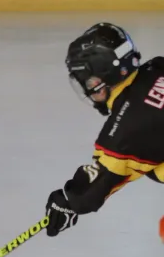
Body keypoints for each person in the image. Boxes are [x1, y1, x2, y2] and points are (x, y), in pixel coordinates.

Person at [45, 23, 163, 237]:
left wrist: (68, 201)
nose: (87, 88)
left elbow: (97, 184)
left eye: (88, 80)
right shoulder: (157, 68)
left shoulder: (129, 125)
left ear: (106, 75)